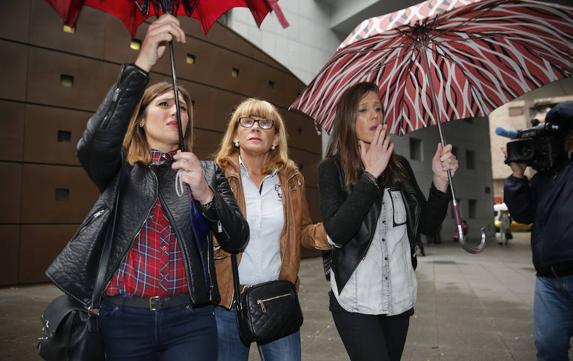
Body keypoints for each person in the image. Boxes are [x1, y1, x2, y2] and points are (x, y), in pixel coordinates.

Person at [46, 15, 249, 361]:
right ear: (140, 118)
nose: (175, 111)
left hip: (192, 321)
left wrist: (205, 193)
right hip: (122, 320)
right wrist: (142, 64)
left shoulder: (208, 172)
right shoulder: (120, 171)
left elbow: (236, 238)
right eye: (164, 104)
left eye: (182, 107)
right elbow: (93, 144)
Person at [318, 82, 458, 361]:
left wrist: (440, 182)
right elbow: (336, 232)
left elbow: (426, 227)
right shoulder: (331, 169)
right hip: (355, 299)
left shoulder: (401, 166)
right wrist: (369, 177)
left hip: (399, 298)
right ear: (348, 119)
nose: (374, 116)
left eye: (379, 109)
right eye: (364, 110)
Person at [212, 98, 327, 361]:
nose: (255, 128)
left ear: (275, 139)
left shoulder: (291, 179)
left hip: (276, 297)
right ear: (236, 136)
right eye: (247, 121)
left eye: (265, 123)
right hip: (227, 302)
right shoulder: (215, 176)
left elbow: (303, 230)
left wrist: (332, 233)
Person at [504, 101, 573, 361]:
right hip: (548, 279)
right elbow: (523, 214)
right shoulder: (544, 176)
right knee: (549, 348)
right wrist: (516, 177)